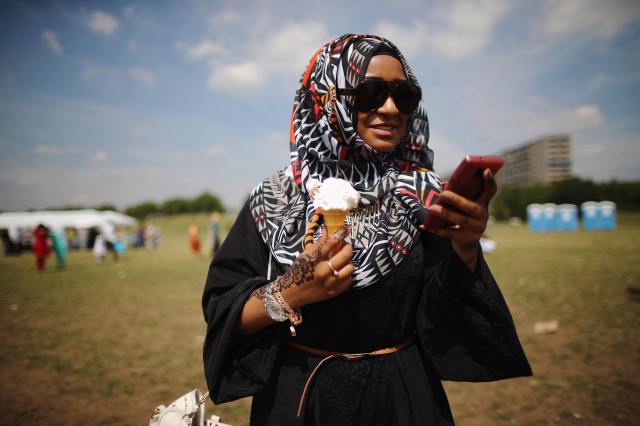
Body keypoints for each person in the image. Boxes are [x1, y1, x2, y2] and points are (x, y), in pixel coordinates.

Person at [202, 34, 531, 425]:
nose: (391, 109)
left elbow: (442, 319)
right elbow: (222, 310)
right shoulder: (275, 199)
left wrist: (466, 248)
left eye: (404, 96)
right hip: (302, 402)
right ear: (327, 99)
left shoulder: (423, 196)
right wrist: (289, 291)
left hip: (404, 400)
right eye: (370, 93)